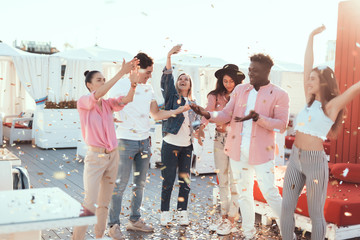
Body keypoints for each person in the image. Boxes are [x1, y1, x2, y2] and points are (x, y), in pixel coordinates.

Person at [190, 53, 290, 239]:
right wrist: (208, 114)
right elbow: (226, 114)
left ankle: (288, 232)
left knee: (270, 193)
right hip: (237, 152)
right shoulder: (240, 90)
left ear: (267, 71)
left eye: (255, 71)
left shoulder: (280, 94)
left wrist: (259, 119)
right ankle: (248, 233)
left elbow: (281, 125)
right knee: (244, 194)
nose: (251, 74)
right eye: (250, 69)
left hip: (261, 154)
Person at [280, 25, 360, 240]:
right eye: (309, 78)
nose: (308, 81)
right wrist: (310, 37)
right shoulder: (309, 99)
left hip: (315, 163)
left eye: (313, 79)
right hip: (295, 159)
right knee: (286, 207)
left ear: (323, 82)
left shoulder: (331, 106)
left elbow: (355, 89)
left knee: (316, 213)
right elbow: (308, 64)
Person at [107, 52, 189, 239]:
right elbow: (110, 108)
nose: (150, 75)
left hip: (144, 142)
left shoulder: (149, 88)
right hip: (125, 141)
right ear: (136, 68)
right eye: (148, 71)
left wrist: (178, 110)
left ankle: (134, 220)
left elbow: (156, 114)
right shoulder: (119, 85)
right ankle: (113, 225)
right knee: (120, 185)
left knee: (140, 185)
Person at [72, 58, 139, 240]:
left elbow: (128, 99)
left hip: (113, 156)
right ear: (89, 85)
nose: (102, 82)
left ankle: (99, 236)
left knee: (103, 203)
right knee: (89, 203)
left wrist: (133, 84)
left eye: (103, 79)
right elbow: (100, 93)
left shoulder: (108, 104)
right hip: (95, 157)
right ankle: (77, 238)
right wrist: (121, 73)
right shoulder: (84, 102)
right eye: (99, 80)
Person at [199, 63, 245, 235]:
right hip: (219, 140)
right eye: (225, 81)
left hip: (235, 141)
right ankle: (224, 217)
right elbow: (208, 112)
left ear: (237, 81)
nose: (228, 84)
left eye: (231, 81)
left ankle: (233, 218)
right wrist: (201, 127)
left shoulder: (242, 97)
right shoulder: (214, 95)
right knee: (222, 180)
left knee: (235, 181)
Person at [159, 45, 201, 227]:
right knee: (168, 180)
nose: (183, 80)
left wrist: (199, 133)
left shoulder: (193, 103)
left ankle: (182, 213)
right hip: (170, 144)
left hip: (187, 146)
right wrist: (169, 56)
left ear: (191, 85)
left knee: (185, 181)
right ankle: (165, 213)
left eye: (186, 79)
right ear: (177, 83)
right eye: (181, 79)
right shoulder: (171, 97)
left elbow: (197, 124)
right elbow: (167, 79)